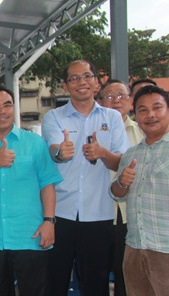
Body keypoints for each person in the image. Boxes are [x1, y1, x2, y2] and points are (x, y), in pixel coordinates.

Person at [42, 60, 130, 296]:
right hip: (61, 214)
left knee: (96, 284)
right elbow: (53, 149)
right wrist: (61, 153)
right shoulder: (54, 117)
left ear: (96, 82)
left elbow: (122, 161)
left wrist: (103, 153)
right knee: (55, 281)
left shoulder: (112, 118)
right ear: (65, 85)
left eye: (87, 76)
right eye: (74, 78)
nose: (82, 82)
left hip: (99, 215)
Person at [0, 85, 63, 296]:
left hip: (30, 234)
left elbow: (47, 184)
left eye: (7, 105)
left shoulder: (35, 143)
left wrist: (49, 221)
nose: (2, 111)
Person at [110, 85, 169, 296]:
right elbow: (116, 193)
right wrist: (123, 183)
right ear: (136, 115)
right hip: (134, 247)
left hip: (165, 249)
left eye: (157, 108)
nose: (150, 115)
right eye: (142, 110)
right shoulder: (130, 153)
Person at [99, 80, 145, 296]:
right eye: (109, 96)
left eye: (121, 95)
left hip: (129, 216)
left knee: (125, 276)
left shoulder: (143, 132)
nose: (116, 100)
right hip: (97, 214)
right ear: (99, 101)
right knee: (95, 275)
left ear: (130, 101)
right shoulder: (94, 130)